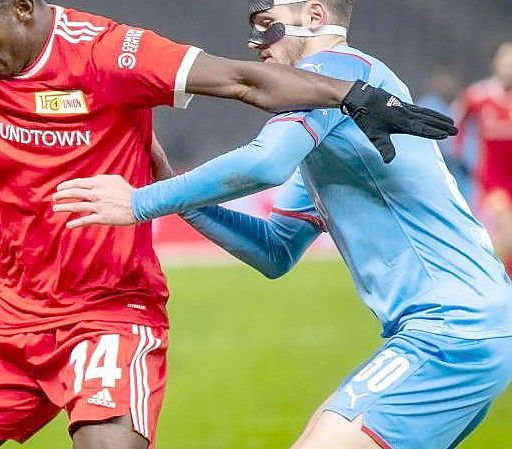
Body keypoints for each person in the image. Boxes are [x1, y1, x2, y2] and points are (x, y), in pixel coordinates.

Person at [0, 1, 456, 448]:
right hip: (9, 320)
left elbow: (242, 77)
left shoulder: (111, 52)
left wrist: (351, 92)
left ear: (29, 8)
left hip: (110, 314)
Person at [52, 1, 512, 448]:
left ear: (315, 16)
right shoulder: (329, 126)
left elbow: (265, 163)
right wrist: (181, 197)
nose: (255, 42)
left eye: (268, 25)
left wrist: (140, 202)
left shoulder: (335, 72)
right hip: (464, 327)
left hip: (452, 329)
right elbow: (275, 251)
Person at [454, 42, 512, 276]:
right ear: (495, 64)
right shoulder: (478, 96)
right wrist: (459, 157)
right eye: (506, 61)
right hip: (494, 179)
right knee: (508, 232)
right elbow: (458, 124)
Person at [417, 66, 472, 204]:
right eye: (443, 79)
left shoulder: (466, 107)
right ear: (434, 81)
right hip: (432, 177)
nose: (447, 84)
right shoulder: (425, 107)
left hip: (462, 180)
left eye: (451, 79)